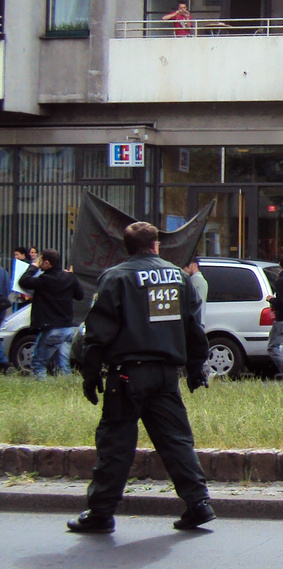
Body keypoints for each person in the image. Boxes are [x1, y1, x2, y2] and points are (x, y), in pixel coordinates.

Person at [67, 222, 215, 534]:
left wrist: (90, 374)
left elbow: (97, 333)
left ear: (127, 247)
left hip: (127, 376)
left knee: (116, 444)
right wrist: (196, 367)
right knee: (176, 440)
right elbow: (193, 326)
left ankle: (100, 513)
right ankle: (199, 503)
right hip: (165, 376)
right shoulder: (178, 277)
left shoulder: (116, 277)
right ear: (156, 245)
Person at [20, 249, 83, 377]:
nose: (38, 262)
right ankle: (65, 390)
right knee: (63, 364)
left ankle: (40, 390)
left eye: (40, 261)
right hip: (67, 328)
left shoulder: (45, 280)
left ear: (47, 263)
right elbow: (80, 295)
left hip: (51, 328)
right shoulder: (69, 277)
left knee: (38, 363)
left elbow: (23, 281)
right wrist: (72, 278)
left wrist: (33, 267)